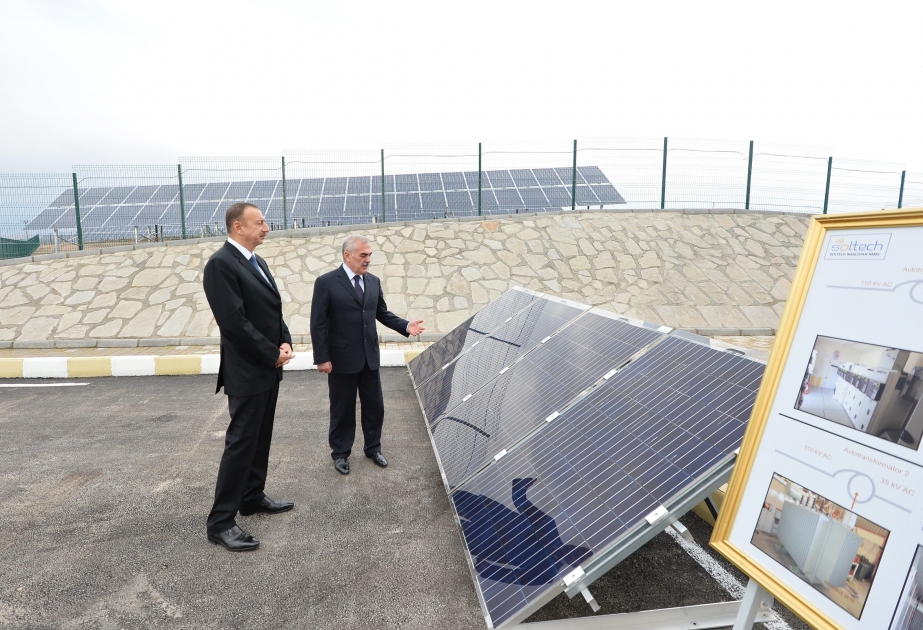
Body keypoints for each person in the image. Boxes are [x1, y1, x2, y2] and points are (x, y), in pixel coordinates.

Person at [202, 202, 295, 552]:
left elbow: (272, 309)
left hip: (268, 368)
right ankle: (220, 523)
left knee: (260, 438)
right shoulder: (221, 265)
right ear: (238, 226)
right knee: (241, 444)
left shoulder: (258, 262)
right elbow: (234, 323)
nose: (266, 227)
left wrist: (284, 339)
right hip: (248, 370)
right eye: (260, 222)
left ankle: (252, 496)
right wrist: (272, 353)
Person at [310, 234, 425, 475]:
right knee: (342, 409)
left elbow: (381, 313)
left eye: (370, 255)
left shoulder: (372, 281)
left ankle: (373, 448)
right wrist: (322, 357)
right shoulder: (326, 282)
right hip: (341, 359)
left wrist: (405, 326)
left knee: (375, 407)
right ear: (347, 255)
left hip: (369, 357)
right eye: (364, 255)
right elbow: (318, 323)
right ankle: (340, 453)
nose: (368, 260)